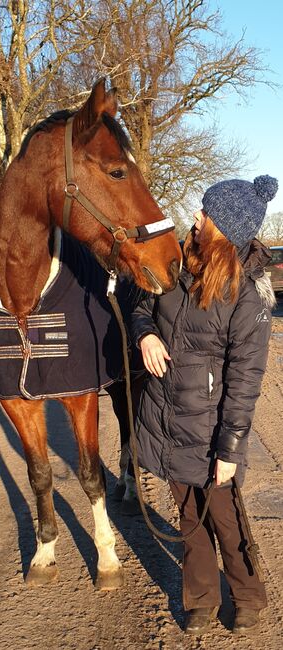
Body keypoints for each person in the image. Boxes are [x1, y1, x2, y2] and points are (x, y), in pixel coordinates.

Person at [130, 174, 278, 636]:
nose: (195, 217)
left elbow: (246, 381)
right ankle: (201, 598)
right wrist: (145, 333)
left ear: (224, 230)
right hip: (168, 419)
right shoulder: (174, 266)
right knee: (190, 518)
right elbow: (138, 302)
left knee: (226, 519)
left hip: (213, 429)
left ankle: (249, 596)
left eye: (204, 213)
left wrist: (231, 450)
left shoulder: (248, 297)